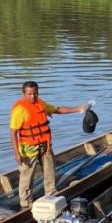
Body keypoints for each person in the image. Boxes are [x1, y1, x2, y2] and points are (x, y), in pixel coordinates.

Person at [9, 81, 88, 209]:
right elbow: (13, 132)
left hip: (45, 146)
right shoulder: (20, 109)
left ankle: (51, 196)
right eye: (29, 94)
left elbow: (57, 109)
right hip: (28, 149)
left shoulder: (40, 103)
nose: (33, 96)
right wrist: (16, 153)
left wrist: (78, 109)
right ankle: (25, 204)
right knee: (26, 177)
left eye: (35, 93)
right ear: (23, 93)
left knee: (50, 171)